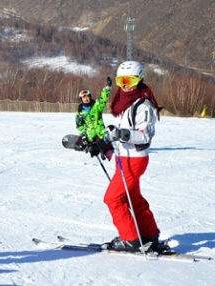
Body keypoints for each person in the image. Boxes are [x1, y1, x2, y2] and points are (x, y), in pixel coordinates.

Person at [86, 60, 163, 252]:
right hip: (124, 158)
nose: (125, 85)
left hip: (134, 159)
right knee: (133, 198)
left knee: (112, 199)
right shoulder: (122, 103)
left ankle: (130, 239)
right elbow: (116, 132)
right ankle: (149, 235)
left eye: (130, 80)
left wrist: (122, 135)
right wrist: (102, 145)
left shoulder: (143, 105)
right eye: (121, 81)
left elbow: (144, 135)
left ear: (139, 80)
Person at [73, 77, 112, 159]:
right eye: (84, 97)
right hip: (89, 132)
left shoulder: (96, 105)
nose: (86, 99)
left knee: (105, 143)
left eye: (87, 97)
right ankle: (85, 146)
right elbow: (79, 124)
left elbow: (102, 99)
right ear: (81, 99)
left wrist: (107, 88)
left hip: (100, 130)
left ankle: (104, 151)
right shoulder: (80, 111)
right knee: (85, 142)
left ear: (90, 97)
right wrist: (83, 135)